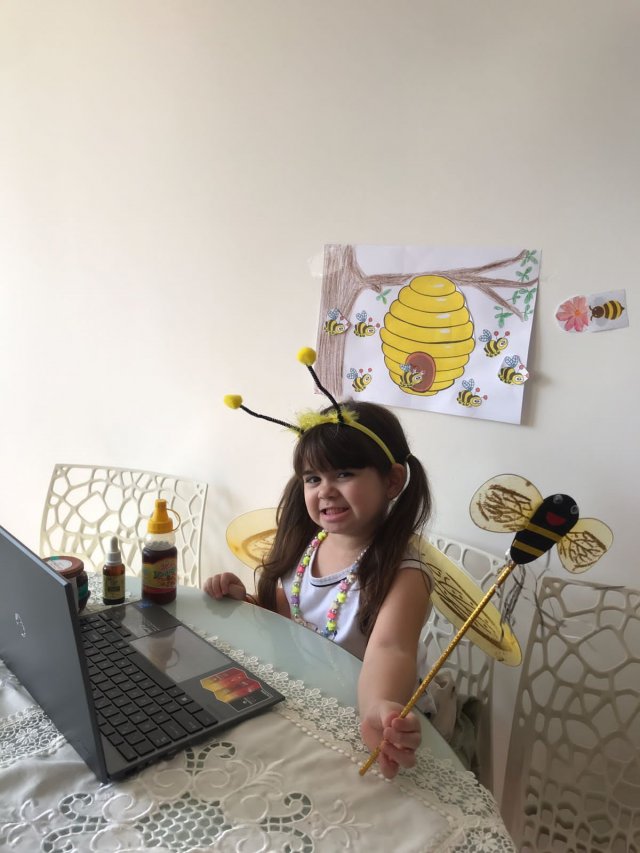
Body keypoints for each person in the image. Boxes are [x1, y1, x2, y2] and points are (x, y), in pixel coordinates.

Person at [204, 349, 434, 779]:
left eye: (344, 474)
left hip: (377, 714)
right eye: (313, 478)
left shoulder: (405, 575)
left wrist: (379, 707)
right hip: (312, 694)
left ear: (392, 480)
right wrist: (246, 601)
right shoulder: (306, 544)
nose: (324, 490)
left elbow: (391, 649)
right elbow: (292, 616)